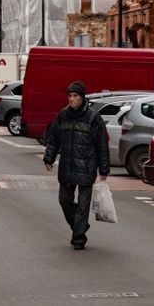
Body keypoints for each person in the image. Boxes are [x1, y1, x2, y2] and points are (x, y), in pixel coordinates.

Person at [43, 81, 110, 250]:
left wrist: (104, 168)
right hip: (67, 166)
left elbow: (102, 144)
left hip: (87, 167)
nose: (71, 99)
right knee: (64, 200)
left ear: (82, 98)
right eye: (70, 96)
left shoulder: (93, 117)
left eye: (75, 96)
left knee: (82, 205)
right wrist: (49, 158)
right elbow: (54, 139)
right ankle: (80, 226)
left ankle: (79, 238)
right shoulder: (63, 115)